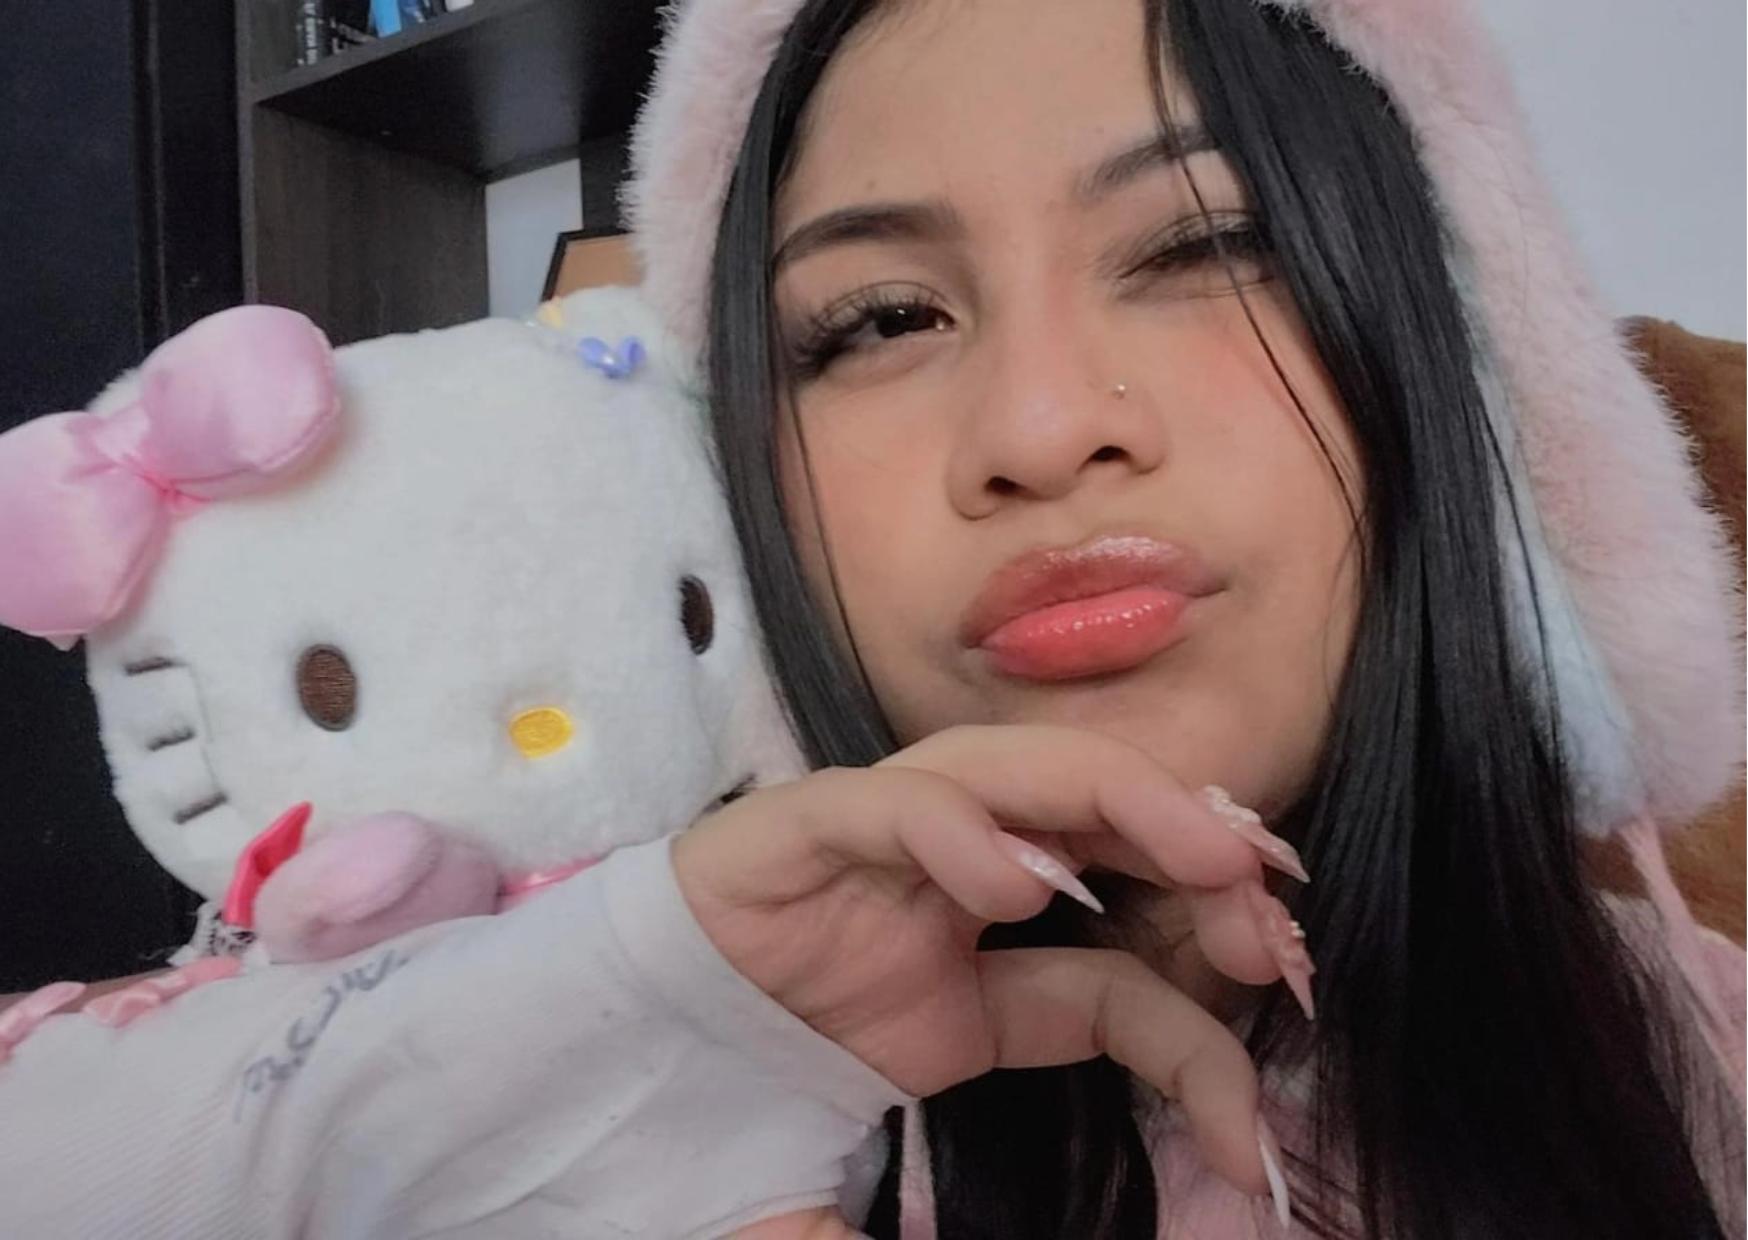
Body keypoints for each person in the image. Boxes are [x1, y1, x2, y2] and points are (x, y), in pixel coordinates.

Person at [1, 0, 1741, 1237]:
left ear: (1446, 359)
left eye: (1203, 243)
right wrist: (591, 1016)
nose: (1039, 428)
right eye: (883, 319)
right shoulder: (598, 1037)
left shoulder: (1704, 1061)